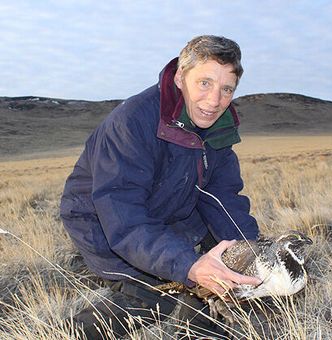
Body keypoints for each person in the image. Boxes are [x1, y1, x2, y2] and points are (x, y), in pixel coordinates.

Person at [60, 35, 261, 339]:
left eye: (226, 89)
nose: (214, 101)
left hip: (172, 210)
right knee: (154, 295)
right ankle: (66, 334)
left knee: (229, 259)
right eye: (204, 83)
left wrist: (254, 252)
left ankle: (198, 333)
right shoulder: (132, 122)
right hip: (104, 221)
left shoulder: (217, 128)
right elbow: (125, 219)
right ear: (181, 77)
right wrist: (187, 265)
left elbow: (222, 198)